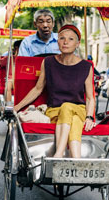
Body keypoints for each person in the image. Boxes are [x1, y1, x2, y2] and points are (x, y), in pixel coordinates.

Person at [14, 24, 94, 158]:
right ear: (58, 42)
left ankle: (58, 153)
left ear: (77, 44)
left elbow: (90, 97)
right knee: (71, 116)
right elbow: (38, 89)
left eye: (70, 39)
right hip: (54, 111)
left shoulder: (86, 66)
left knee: (69, 108)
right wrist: (17, 107)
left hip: (79, 109)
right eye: (62, 38)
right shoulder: (48, 62)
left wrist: (90, 116)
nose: (66, 42)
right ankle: (76, 160)